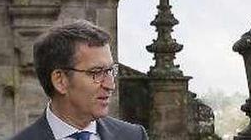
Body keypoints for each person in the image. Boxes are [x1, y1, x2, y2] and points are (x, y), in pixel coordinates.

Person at [9, 20, 148, 140]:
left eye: (110, 71)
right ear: (60, 81)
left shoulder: (133, 136)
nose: (110, 85)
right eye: (96, 72)